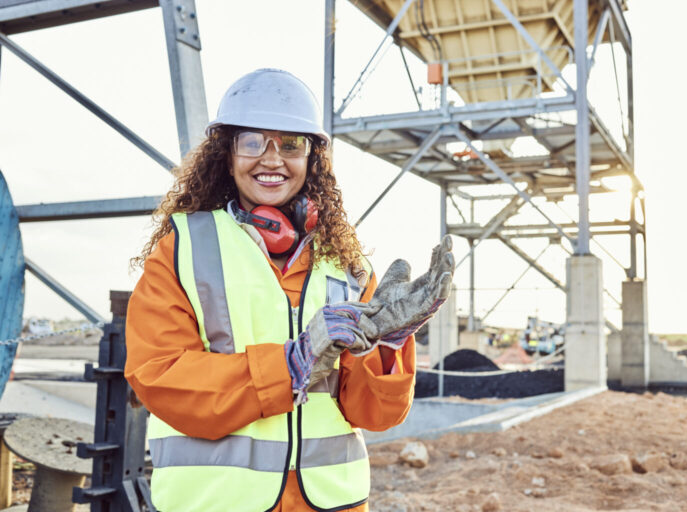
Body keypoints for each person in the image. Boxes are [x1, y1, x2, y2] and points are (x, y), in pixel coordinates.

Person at [125, 68, 454, 512]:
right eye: (252, 142)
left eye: (292, 144)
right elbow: (159, 376)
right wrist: (291, 366)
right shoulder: (182, 250)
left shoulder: (348, 266)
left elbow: (375, 415)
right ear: (227, 154)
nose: (272, 158)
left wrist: (389, 346)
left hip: (332, 504)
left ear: (311, 158)